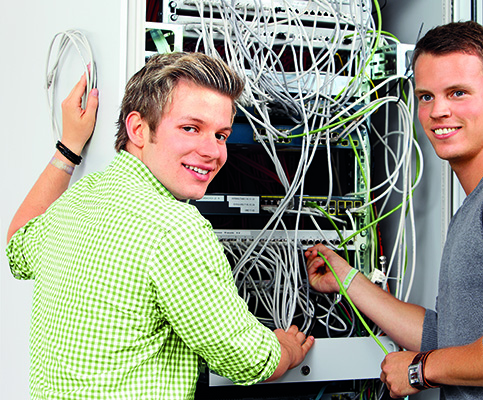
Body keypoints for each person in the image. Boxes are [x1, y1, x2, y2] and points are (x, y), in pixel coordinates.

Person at [305, 21, 483, 399]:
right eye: (426, 96)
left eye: (458, 92)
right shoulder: (481, 200)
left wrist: (419, 370)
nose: (438, 110)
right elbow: (450, 336)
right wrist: (346, 280)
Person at [6, 52, 313, 399]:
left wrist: (68, 148)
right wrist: (287, 348)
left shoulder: (80, 197)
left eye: (221, 135)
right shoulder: (175, 229)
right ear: (138, 128)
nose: (213, 152)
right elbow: (249, 361)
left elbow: (17, 243)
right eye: (190, 128)